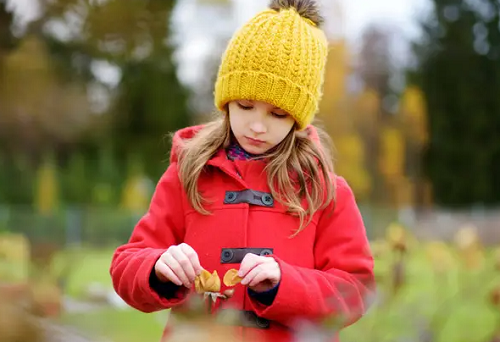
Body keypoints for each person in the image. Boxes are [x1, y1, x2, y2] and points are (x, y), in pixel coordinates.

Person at [110, 0, 375, 341]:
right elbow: (125, 265)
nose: (258, 126)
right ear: (226, 101)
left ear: (298, 117)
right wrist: (157, 267)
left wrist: (286, 285)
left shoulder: (324, 191)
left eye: (277, 114)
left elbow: (355, 288)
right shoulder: (188, 174)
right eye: (246, 106)